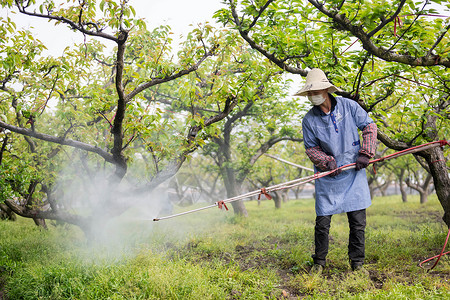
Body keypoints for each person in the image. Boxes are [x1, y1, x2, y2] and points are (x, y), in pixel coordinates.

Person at [294, 68, 377, 274]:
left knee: (357, 223)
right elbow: (311, 148)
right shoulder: (309, 120)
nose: (313, 96)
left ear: (326, 90)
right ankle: (319, 263)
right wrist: (326, 162)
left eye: (317, 91)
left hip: (353, 170)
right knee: (322, 222)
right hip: (329, 175)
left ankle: (357, 264)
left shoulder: (349, 106)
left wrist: (365, 153)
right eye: (310, 93)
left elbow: (369, 126)